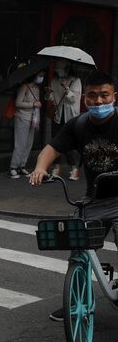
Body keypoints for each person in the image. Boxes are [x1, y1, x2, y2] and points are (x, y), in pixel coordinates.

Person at [30, 70, 118, 322]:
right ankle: (76, 298)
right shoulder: (78, 125)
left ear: (114, 96)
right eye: (92, 96)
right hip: (95, 200)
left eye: (104, 95)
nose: (99, 102)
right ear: (85, 99)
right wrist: (40, 168)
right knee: (79, 251)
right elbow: (51, 149)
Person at [46, 60, 82, 180]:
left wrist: (67, 88)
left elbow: (73, 99)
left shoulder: (76, 81)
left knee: (69, 143)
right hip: (58, 115)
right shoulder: (54, 81)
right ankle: (56, 168)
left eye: (61, 69)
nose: (59, 72)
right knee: (56, 142)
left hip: (70, 116)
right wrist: (49, 94)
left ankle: (74, 169)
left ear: (67, 69)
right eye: (58, 70)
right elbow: (51, 98)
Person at [8, 70, 45, 178]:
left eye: (42, 76)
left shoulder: (37, 88)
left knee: (29, 143)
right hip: (22, 117)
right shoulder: (24, 87)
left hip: (33, 118)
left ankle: (22, 166)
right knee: (20, 143)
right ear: (34, 75)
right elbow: (18, 103)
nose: (41, 78)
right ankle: (13, 167)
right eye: (40, 75)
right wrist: (33, 104)